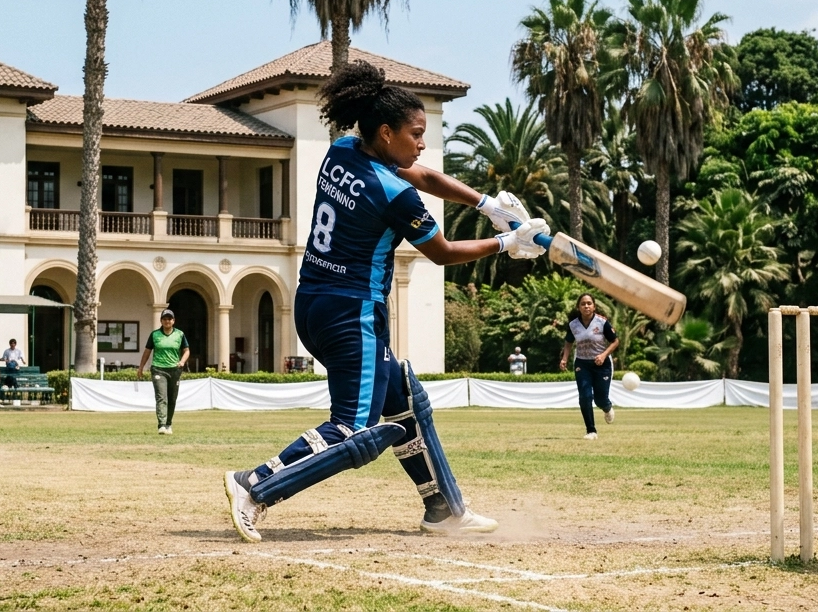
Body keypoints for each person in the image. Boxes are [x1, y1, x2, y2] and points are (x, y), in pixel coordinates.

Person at [223, 61, 550, 542]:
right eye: (416, 133)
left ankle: (443, 509)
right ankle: (254, 485)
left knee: (403, 397)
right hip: (352, 312)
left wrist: (486, 206)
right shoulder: (394, 195)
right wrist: (507, 244)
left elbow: (425, 175)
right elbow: (440, 253)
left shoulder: (343, 150)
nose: (421, 142)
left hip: (314, 300)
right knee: (354, 430)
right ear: (386, 132)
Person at [560, 294, 619, 440]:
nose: (586, 306)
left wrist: (603, 355)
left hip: (602, 364)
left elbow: (615, 341)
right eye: (583, 304)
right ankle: (591, 431)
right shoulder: (573, 325)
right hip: (582, 364)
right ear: (578, 307)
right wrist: (564, 358)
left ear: (594, 306)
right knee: (585, 397)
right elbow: (568, 342)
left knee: (600, 399)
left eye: (589, 303)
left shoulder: (602, 322)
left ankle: (607, 407)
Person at [137, 309, 190, 434]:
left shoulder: (180, 334)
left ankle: (168, 424)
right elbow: (147, 352)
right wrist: (141, 367)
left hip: (175, 369)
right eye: (165, 319)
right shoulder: (155, 335)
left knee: (172, 398)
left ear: (173, 321)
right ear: (161, 321)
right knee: (161, 397)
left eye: (169, 319)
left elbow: (186, 350)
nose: (167, 321)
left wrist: (182, 362)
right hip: (158, 369)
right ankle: (161, 424)